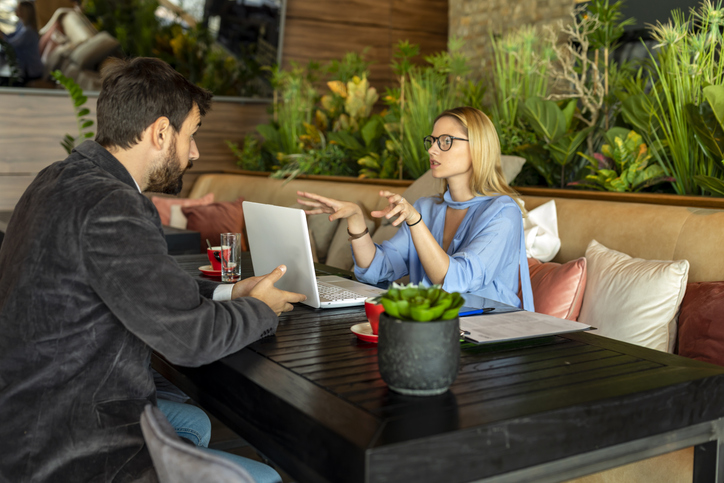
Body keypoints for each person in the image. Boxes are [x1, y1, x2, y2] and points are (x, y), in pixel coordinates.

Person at [0, 57, 306, 482]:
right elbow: (191, 340)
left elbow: (142, 282)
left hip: (27, 410)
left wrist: (229, 293)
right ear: (161, 132)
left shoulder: (55, 179)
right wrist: (262, 309)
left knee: (195, 424)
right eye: (192, 135)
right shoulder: (112, 206)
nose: (194, 152)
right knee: (267, 479)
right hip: (70, 440)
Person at [298, 106, 534, 310]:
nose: (432, 149)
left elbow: (457, 281)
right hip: (434, 326)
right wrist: (356, 221)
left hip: (491, 334)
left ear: (478, 148)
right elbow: (378, 269)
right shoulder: (427, 207)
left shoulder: (503, 212)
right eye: (432, 141)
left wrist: (415, 221)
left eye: (446, 141)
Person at [0, 1, 44, 83]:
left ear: (25, 12)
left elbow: (11, 45)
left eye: (19, 9)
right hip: (23, 69)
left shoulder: (28, 31)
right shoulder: (21, 25)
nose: (15, 10)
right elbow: (11, 36)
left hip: (30, 72)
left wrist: (2, 37)